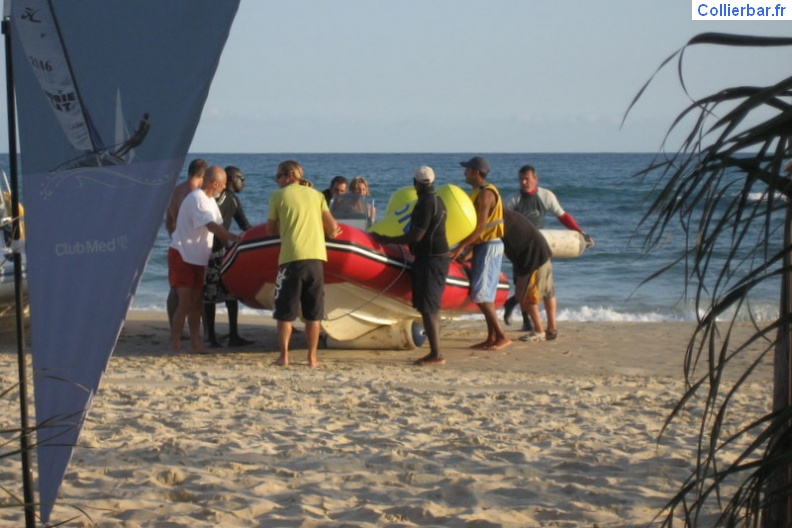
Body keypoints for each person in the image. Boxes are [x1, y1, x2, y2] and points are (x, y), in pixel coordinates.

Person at [370, 166, 450, 366]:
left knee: (428, 308)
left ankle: (436, 354)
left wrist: (385, 239)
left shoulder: (426, 203)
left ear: (415, 183)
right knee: (432, 306)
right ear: (432, 182)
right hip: (437, 257)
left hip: (430, 259)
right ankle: (435, 351)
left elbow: (416, 236)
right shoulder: (438, 200)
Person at [502, 164, 594, 330]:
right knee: (521, 283)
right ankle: (526, 322)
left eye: (527, 179)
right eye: (521, 179)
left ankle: (514, 304)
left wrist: (580, 233)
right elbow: (501, 223)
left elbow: (563, 216)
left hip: (539, 246)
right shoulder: (513, 200)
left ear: (535, 180)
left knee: (543, 288)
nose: (523, 182)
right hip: (519, 247)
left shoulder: (545, 196)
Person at [267, 160, 341, 367]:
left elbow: (270, 230)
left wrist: (285, 224)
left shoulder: (277, 196)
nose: (277, 180)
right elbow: (333, 227)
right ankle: (312, 357)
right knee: (313, 313)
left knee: (285, 312)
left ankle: (284, 356)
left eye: (279, 176)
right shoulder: (317, 196)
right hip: (316, 259)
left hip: (291, 258)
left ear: (289, 175)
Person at [169, 166, 239, 354]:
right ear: (215, 183)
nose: (224, 188)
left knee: (196, 303)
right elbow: (212, 226)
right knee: (184, 302)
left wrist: (233, 247)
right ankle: (176, 344)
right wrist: (233, 237)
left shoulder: (210, 201)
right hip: (182, 254)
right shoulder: (197, 199)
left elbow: (220, 226)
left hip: (199, 258)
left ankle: (196, 342)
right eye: (223, 185)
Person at [449, 156, 511, 351]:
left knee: (483, 294)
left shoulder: (485, 194)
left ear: (476, 172)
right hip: (482, 245)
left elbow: (481, 227)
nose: (464, 172)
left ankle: (501, 336)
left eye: (467, 169)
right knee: (484, 292)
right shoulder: (478, 192)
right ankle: (491, 337)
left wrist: (461, 247)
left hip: (489, 245)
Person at [203, 166, 254, 348]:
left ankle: (216, 336)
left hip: (215, 251)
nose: (244, 183)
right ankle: (225, 336)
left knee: (217, 295)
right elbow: (245, 226)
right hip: (217, 252)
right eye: (241, 178)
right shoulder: (226, 200)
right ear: (232, 179)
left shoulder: (221, 199)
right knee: (222, 294)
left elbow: (244, 226)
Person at [502, 209, 558, 342]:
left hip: (532, 259)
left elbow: (484, 242)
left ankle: (539, 331)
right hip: (542, 253)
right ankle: (551, 329)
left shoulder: (495, 220)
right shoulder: (506, 215)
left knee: (528, 297)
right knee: (548, 293)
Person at [165, 158, 207, 331]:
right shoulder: (195, 195)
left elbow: (168, 221)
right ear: (203, 175)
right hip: (190, 248)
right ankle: (202, 331)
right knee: (195, 293)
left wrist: (175, 237)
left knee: (175, 289)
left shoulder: (175, 191)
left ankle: (174, 328)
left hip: (176, 245)